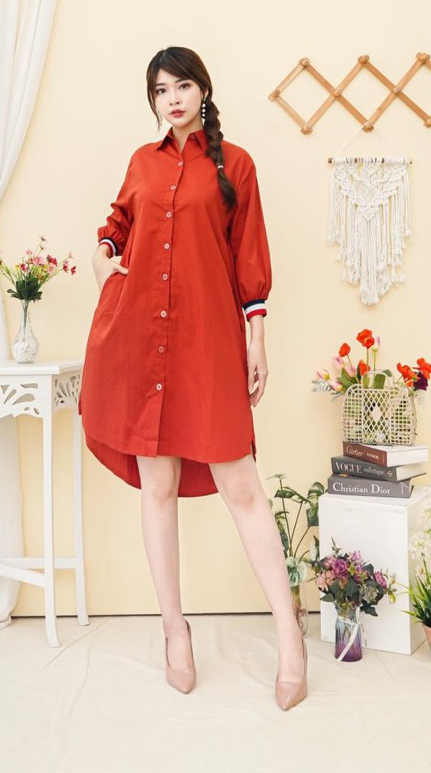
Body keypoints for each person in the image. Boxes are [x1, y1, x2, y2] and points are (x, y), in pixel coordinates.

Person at [77, 47, 307, 710]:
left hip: (207, 344)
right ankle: (174, 631)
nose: (172, 98)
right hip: (143, 343)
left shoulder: (236, 166)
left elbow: (249, 256)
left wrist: (256, 338)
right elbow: (117, 225)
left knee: (242, 486)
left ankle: (288, 636)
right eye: (160, 90)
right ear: (152, 100)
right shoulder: (142, 164)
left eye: (182, 85)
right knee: (158, 486)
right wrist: (103, 255)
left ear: (203, 90)